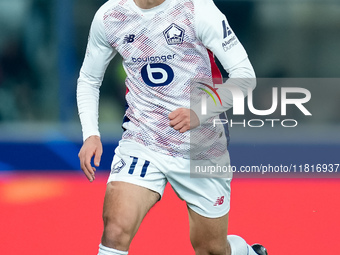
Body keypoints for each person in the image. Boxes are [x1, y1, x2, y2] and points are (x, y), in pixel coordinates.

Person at [77, 0, 268, 254]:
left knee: (211, 249)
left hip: (201, 142)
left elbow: (245, 76)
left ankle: (246, 251)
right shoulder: (111, 15)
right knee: (115, 231)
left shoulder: (197, 9)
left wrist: (200, 112)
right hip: (142, 139)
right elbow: (89, 79)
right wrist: (91, 134)